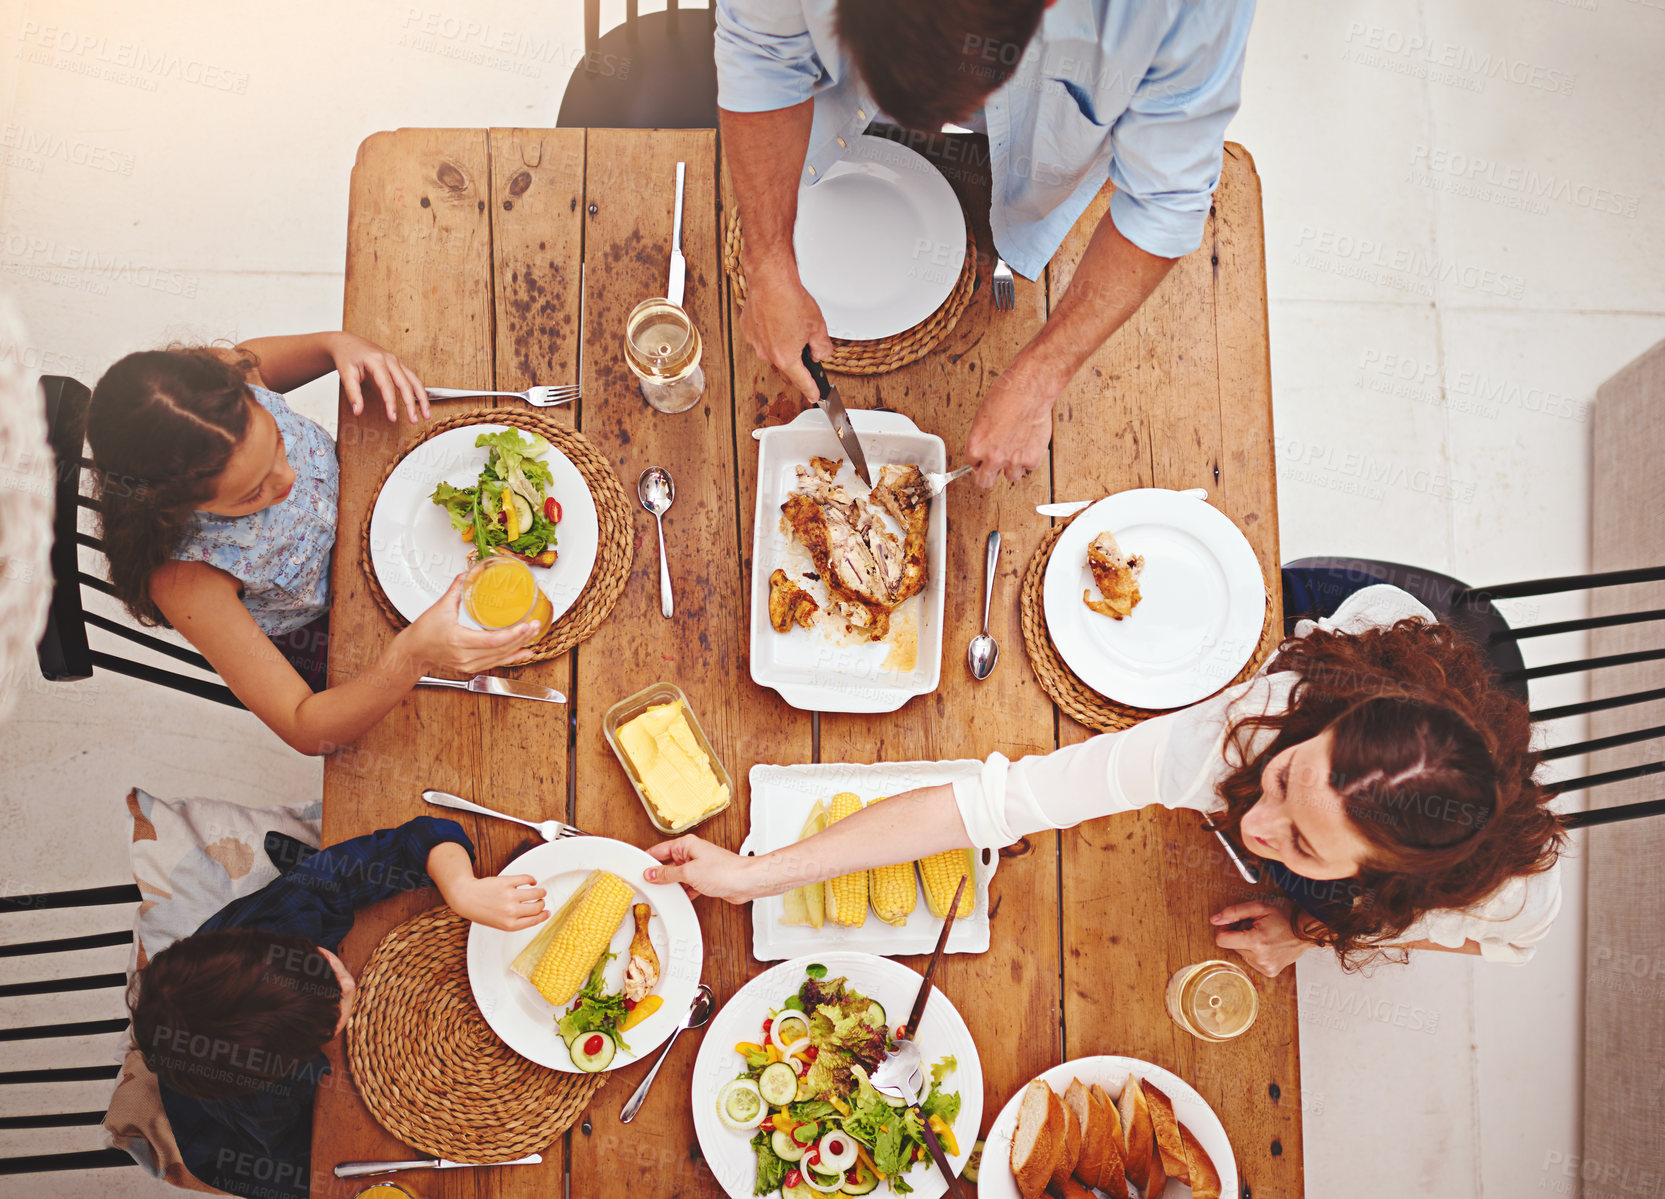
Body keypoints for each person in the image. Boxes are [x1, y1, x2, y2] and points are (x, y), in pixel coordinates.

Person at [646, 585, 1567, 975]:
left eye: (1301, 844)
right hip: (1371, 636)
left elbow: (1482, 944)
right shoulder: (1230, 738)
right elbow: (987, 801)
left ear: (1384, 879)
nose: (1258, 825)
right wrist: (751, 875)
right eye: (1287, 780)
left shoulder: (1493, 890)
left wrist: (1307, 928)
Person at [715, 0, 1256, 486]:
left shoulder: (1186, 9)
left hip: (1037, 163)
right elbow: (761, 50)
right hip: (832, 120)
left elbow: (1164, 201)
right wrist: (768, 264)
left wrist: (1042, 378)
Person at [86, 334, 543, 754]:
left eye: (280, 443)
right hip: (337, 630)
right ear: (175, 509)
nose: (287, 478)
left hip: (378, 497)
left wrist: (337, 347)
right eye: (252, 493)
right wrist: (412, 655)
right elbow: (305, 727)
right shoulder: (185, 579)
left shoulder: (220, 383)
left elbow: (291, 353)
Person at [127, 816, 548, 1199]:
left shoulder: (270, 922)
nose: (350, 981)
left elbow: (419, 838)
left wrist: (462, 889)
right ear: (301, 1054)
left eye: (320, 960)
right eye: (336, 1010)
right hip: (243, 1145)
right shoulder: (262, 1098)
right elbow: (306, 1152)